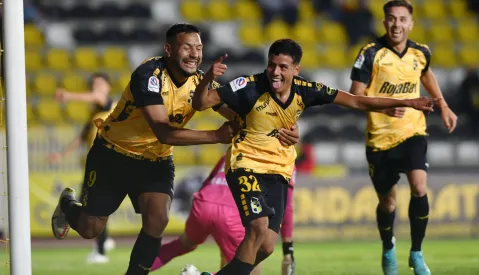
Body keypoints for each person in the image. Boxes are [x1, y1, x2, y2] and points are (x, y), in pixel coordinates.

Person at [192, 38, 437, 275]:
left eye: (283, 67)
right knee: (257, 228)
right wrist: (208, 80)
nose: (275, 72)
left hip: (278, 170)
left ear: (296, 70)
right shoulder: (248, 86)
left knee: (266, 246)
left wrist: (409, 102)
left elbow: (356, 101)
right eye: (272, 65)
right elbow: (201, 103)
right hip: (246, 165)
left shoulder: (306, 90)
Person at [50, 23, 240, 275]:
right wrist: (216, 135)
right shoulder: (148, 75)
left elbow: (232, 110)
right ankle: (67, 205)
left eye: (199, 48)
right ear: (168, 49)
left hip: (155, 161)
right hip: (112, 155)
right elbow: (163, 130)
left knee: (158, 219)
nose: (194, 54)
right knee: (90, 229)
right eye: (187, 47)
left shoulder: (199, 82)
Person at [348, 1, 458, 275]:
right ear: (384, 22)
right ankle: (388, 247)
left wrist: (443, 105)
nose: (397, 24)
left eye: (402, 19)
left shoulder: (421, 53)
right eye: (391, 19)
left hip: (413, 132)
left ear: (411, 24)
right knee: (388, 203)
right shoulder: (371, 53)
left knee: (419, 187)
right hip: (380, 140)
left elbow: (426, 74)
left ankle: (417, 253)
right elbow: (354, 96)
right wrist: (386, 105)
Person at [150, 154, 297, 275]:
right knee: (249, 267)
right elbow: (287, 206)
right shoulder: (285, 158)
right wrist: (287, 249)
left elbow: (209, 179)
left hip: (204, 202)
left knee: (182, 244)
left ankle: (136, 270)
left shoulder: (237, 148)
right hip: (231, 213)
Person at [48, 72, 117, 264]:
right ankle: (101, 246)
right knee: (94, 209)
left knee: (96, 209)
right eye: (94, 85)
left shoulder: (108, 104)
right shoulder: (94, 115)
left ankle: (101, 245)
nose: (96, 88)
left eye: (100, 84)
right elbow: (80, 138)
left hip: (111, 163)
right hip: (98, 166)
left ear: (108, 87)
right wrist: (60, 155)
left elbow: (97, 97)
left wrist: (68, 96)